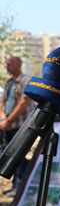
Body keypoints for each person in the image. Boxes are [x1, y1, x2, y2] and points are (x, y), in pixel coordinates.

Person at [0, 56, 35, 195]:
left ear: (19, 65)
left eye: (10, 64)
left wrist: (8, 120)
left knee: (19, 155)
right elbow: (2, 103)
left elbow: (24, 102)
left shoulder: (26, 80)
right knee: (11, 156)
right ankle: (16, 184)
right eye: (7, 64)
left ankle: (22, 186)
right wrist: (4, 119)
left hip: (21, 125)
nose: (7, 66)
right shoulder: (9, 82)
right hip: (8, 125)